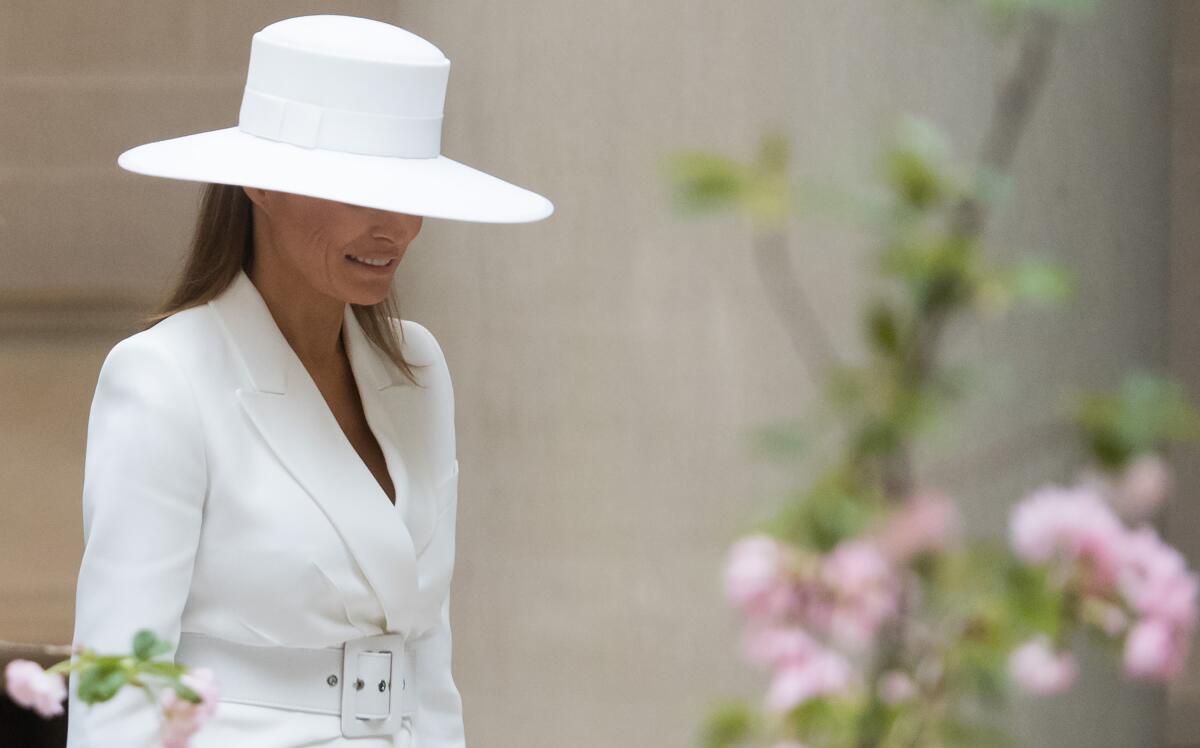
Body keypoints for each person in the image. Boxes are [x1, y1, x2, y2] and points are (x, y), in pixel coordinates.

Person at [66, 14, 553, 748]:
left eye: (412, 192)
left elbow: (429, 655)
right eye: (359, 191)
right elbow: (118, 689)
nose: (396, 228)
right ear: (261, 185)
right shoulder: (164, 379)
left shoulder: (416, 369)